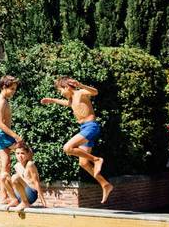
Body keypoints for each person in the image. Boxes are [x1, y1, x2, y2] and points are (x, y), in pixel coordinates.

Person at [41, 76, 114, 204]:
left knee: (67, 148)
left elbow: (95, 92)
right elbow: (66, 103)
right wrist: (52, 100)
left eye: (61, 90)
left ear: (67, 87)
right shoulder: (71, 99)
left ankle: (97, 160)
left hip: (91, 127)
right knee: (83, 163)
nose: (61, 94)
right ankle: (105, 184)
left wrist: (81, 85)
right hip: (84, 128)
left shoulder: (80, 93)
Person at [0, 75, 23, 206]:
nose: (13, 92)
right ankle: (23, 189)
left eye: (15, 89)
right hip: (2, 133)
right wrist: (16, 136)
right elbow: (0, 123)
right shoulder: (2, 101)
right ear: (4, 87)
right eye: (12, 89)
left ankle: (3, 197)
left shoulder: (2, 99)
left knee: (6, 165)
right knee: (26, 151)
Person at [9, 142, 46, 211]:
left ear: (27, 154)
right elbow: (16, 184)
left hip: (31, 194)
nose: (20, 156)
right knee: (4, 176)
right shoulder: (16, 166)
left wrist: (43, 202)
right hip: (20, 194)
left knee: (15, 177)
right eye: (17, 153)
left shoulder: (30, 164)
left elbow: (36, 182)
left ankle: (25, 203)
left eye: (22, 153)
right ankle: (14, 200)